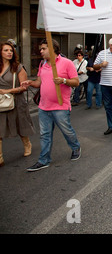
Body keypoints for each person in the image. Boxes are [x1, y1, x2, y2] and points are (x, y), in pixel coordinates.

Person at [22, 39, 81, 172]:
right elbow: (39, 82)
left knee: (67, 131)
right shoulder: (42, 64)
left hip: (60, 106)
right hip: (44, 106)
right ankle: (44, 160)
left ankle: (75, 147)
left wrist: (64, 80)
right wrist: (30, 83)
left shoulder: (67, 63)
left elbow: (76, 82)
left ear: (52, 48)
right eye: (40, 49)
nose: (40, 51)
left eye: (43, 48)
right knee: (45, 135)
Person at [0, 41, 35, 167]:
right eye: (6, 50)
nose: (9, 52)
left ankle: (27, 144)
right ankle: (0, 157)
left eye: (11, 50)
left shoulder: (17, 67)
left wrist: (7, 91)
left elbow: (24, 87)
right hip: (1, 101)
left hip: (16, 101)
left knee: (20, 124)